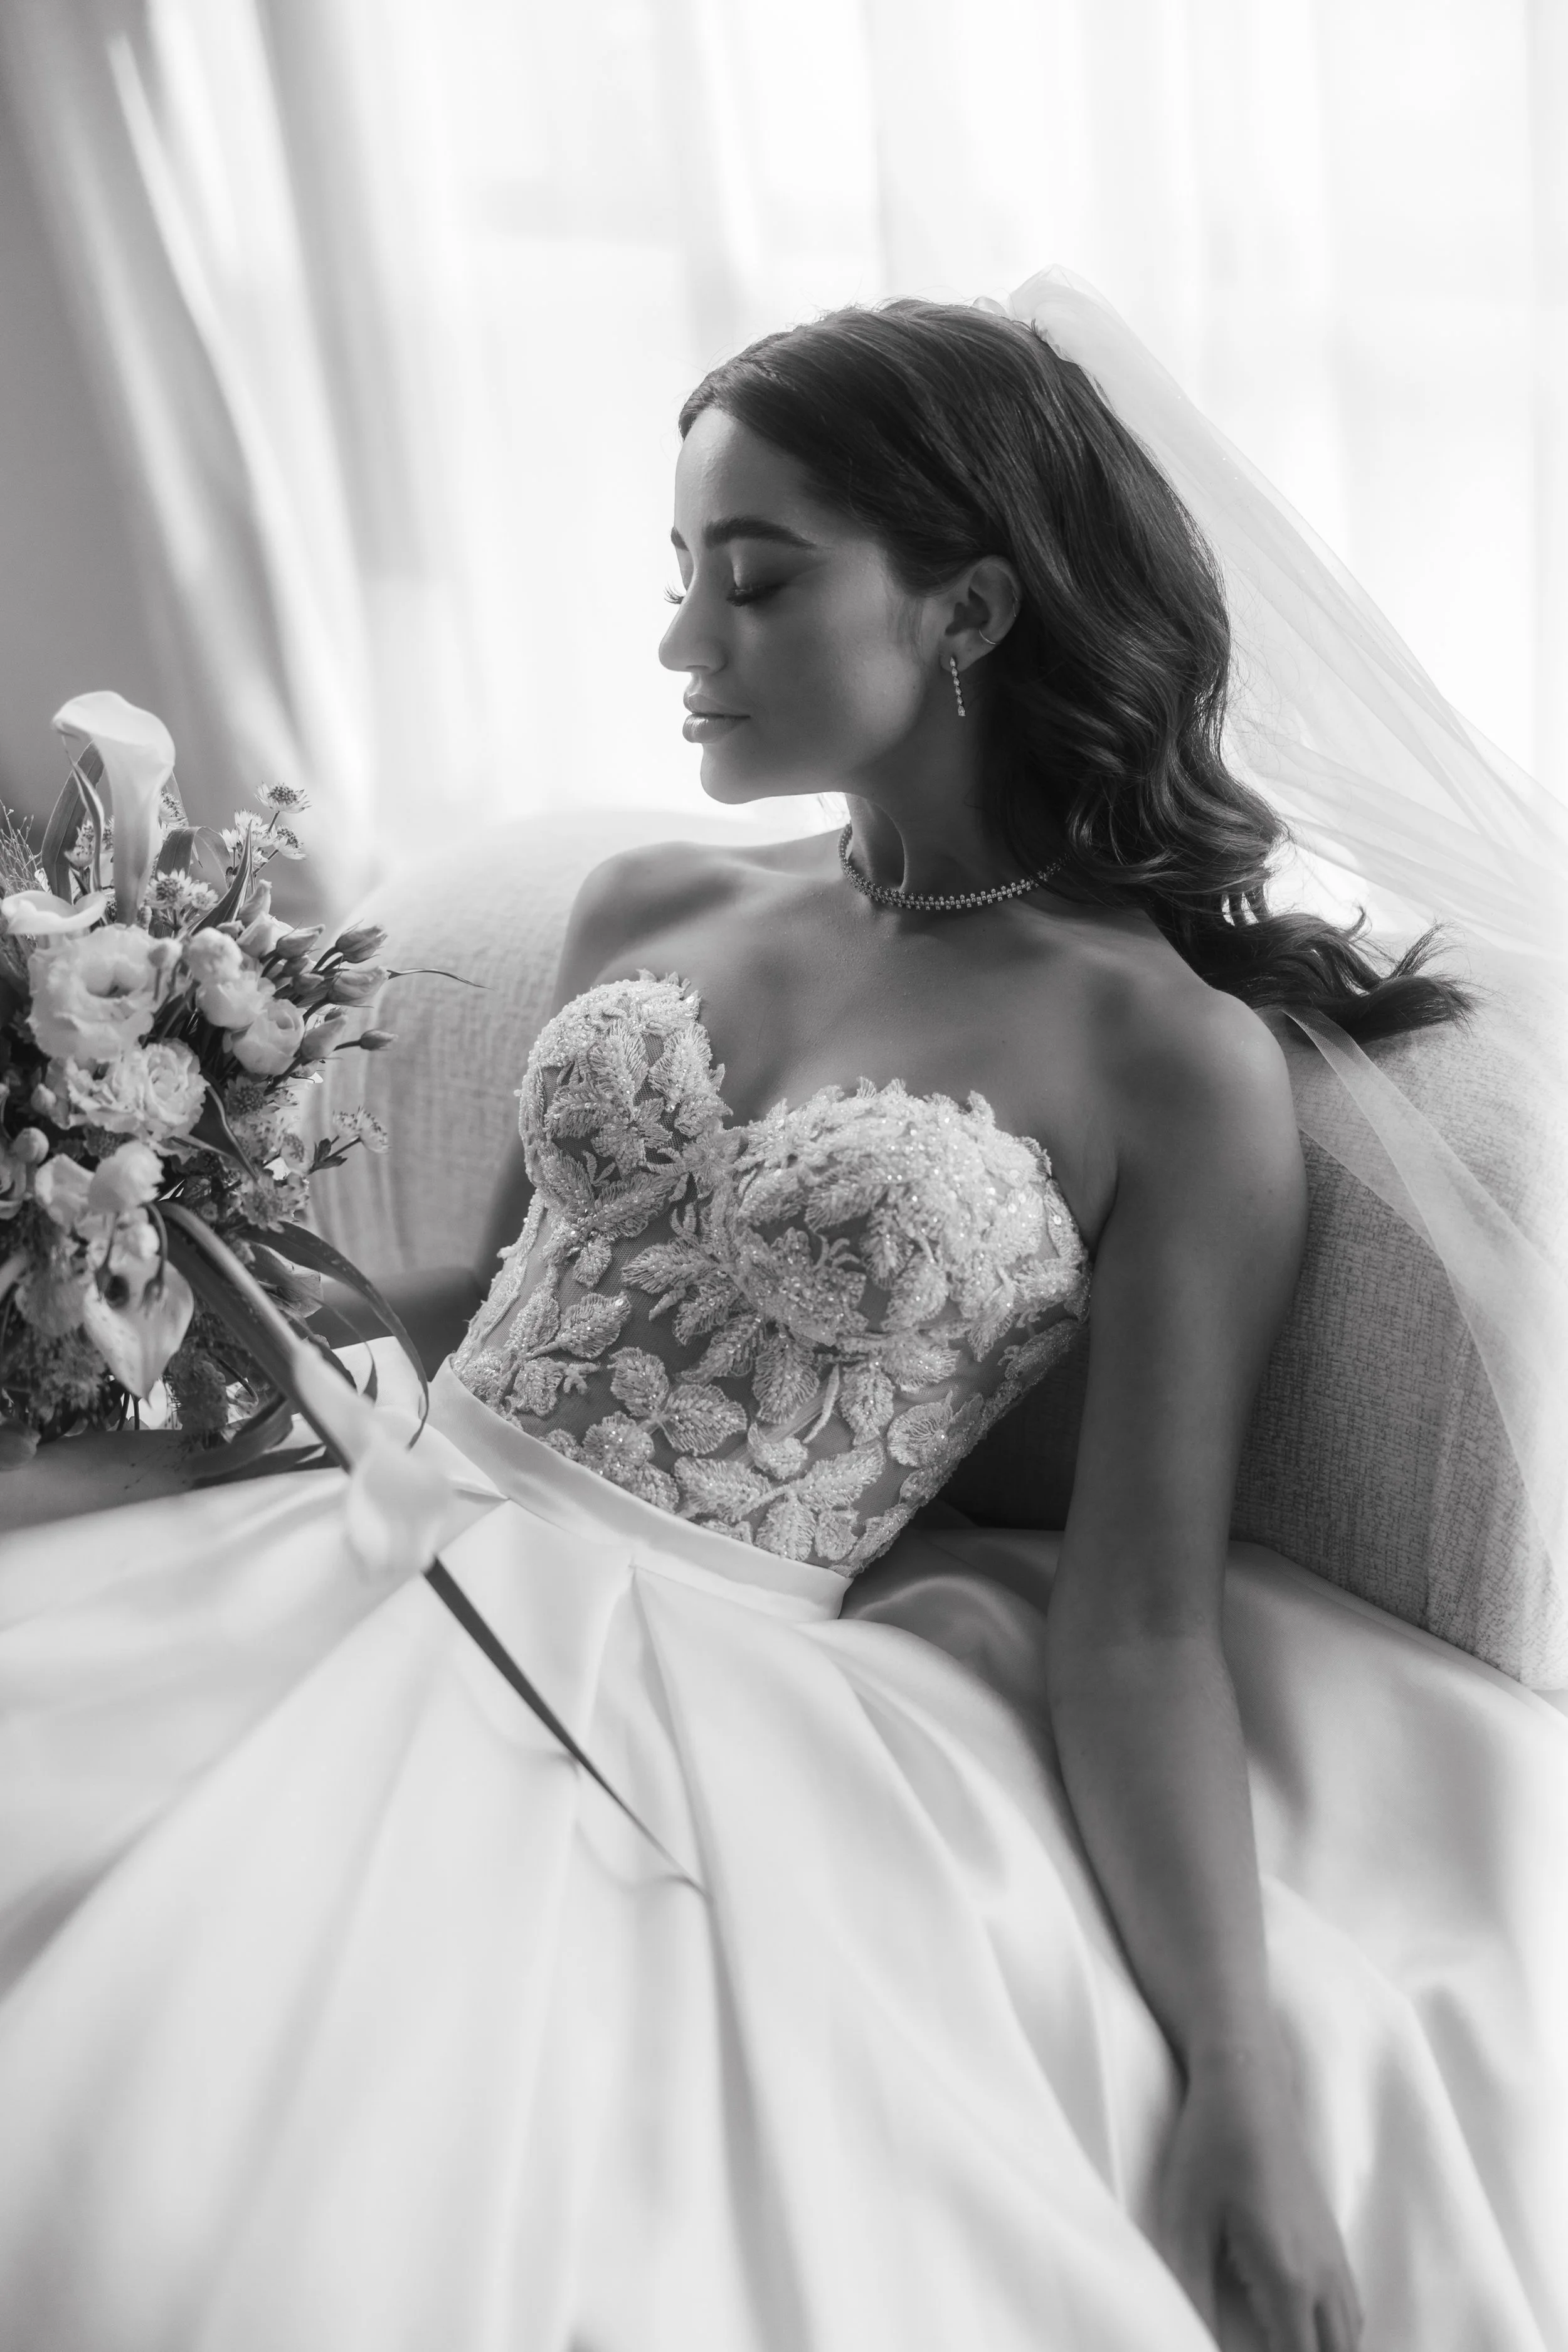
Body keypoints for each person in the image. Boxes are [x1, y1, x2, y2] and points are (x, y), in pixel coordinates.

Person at [0, 276, 1560, 2352]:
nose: (680, 645)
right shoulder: (648, 905)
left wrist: (1242, 2083)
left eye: (755, 582)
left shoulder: (1166, 1060)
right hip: (376, 1531)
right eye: (679, 577)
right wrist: (162, 1283)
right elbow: (484, 1296)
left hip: (702, 1688)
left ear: (969, 613)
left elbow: (1141, 1613)